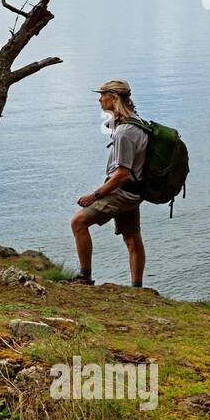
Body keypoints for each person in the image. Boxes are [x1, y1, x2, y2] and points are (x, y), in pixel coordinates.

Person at [69, 79, 147, 287]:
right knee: (132, 238)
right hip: (134, 192)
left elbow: (121, 174)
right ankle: (137, 288)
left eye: (102, 95)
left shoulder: (124, 133)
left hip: (121, 192)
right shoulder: (136, 122)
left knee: (78, 222)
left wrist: (94, 196)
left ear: (114, 98)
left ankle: (84, 277)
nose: (99, 99)